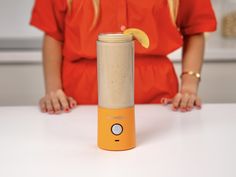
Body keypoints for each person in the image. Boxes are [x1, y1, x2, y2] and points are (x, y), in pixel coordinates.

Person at [30, 0, 216, 114]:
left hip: (157, 99)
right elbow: (53, 33)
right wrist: (54, 92)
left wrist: (190, 86)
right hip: (80, 100)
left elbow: (196, 28)